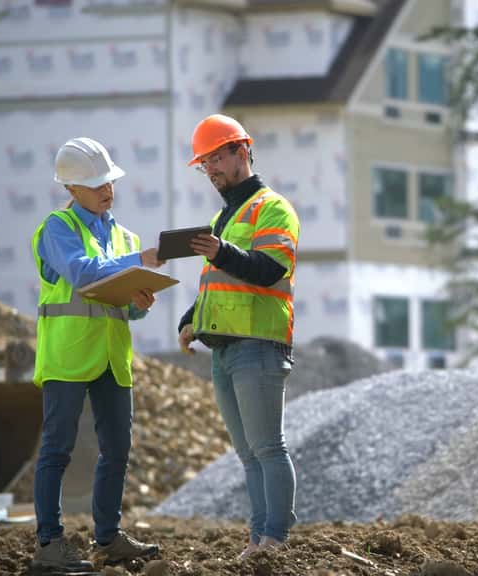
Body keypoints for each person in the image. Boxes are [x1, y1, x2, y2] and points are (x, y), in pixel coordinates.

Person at [30, 137, 162, 572]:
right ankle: (49, 545)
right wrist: (137, 261)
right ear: (71, 189)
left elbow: (119, 303)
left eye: (109, 180)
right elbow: (84, 274)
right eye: (97, 183)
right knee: (57, 450)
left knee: (118, 448)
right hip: (68, 354)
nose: (108, 189)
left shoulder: (122, 235)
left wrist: (136, 304)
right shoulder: (57, 228)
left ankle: (107, 539)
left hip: (110, 357)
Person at [177, 114, 300, 558]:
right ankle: (257, 539)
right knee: (248, 454)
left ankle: (276, 539)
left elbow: (269, 270)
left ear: (241, 151)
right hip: (225, 348)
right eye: (203, 163)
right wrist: (191, 319)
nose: (209, 170)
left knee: (268, 447)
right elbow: (217, 284)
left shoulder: (273, 208)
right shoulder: (223, 217)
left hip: (259, 344)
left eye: (215, 159)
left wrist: (222, 251)